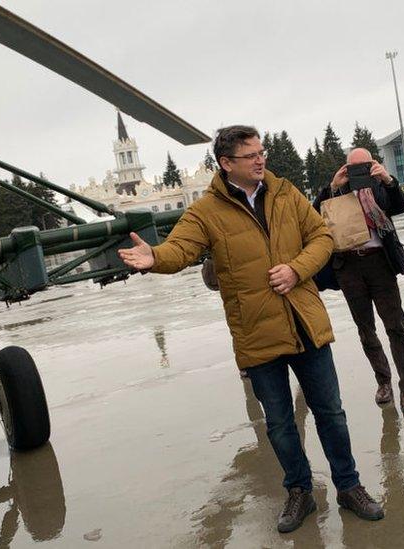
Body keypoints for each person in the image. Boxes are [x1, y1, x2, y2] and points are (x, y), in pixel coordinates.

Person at [117, 126, 383, 533]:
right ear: (226, 164)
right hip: (256, 331)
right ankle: (299, 493)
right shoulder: (207, 210)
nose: (261, 160)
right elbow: (181, 249)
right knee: (278, 422)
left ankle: (349, 486)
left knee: (331, 412)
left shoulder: (285, 193)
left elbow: (322, 236)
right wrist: (154, 257)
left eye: (262, 152)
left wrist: (296, 269)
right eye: (251, 155)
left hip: (304, 323)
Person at [312, 148, 404, 412]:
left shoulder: (380, 187)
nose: (359, 172)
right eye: (353, 168)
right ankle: (383, 382)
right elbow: (315, 216)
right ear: (345, 169)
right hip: (349, 266)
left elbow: (400, 206)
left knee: (396, 327)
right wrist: (332, 187)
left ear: (374, 164)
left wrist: (387, 180)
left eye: (365, 165)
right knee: (365, 329)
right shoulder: (338, 192)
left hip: (380, 262)